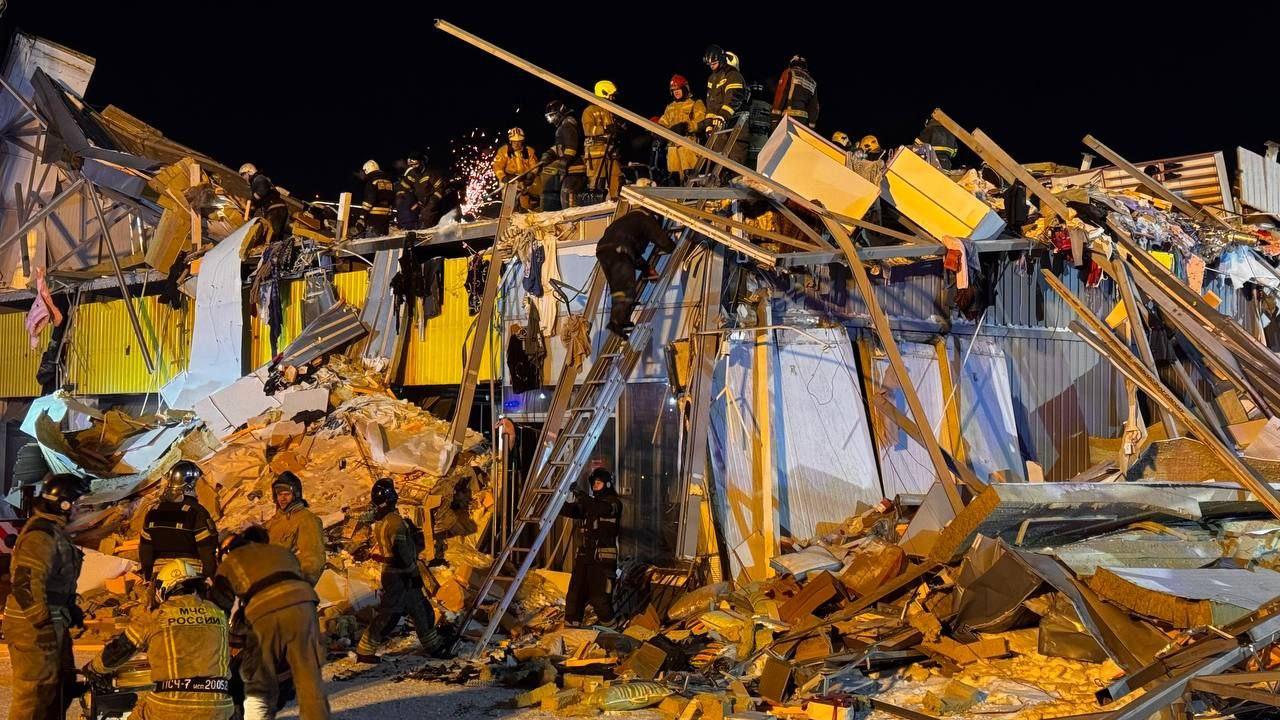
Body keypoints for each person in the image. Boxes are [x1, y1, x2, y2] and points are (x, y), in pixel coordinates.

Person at [82, 559, 233, 720]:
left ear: (162, 589)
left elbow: (120, 649)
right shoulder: (218, 613)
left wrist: (93, 669)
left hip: (170, 705)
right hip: (219, 706)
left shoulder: (157, 616)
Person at [214, 527, 329, 720]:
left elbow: (218, 608)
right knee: (308, 679)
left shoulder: (230, 564)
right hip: (305, 607)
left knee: (258, 682)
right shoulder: (281, 553)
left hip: (267, 612)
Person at [3, 474, 87, 720]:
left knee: (60, 687)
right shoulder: (40, 536)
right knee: (35, 694)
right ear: (64, 505)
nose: (81, 508)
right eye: (78, 503)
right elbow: (26, 585)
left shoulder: (53, 531)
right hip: (32, 624)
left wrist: (69, 607)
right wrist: (42, 625)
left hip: (51, 617)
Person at [354, 478, 444, 662]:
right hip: (401, 575)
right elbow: (402, 552)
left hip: (393, 572)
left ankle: (435, 646)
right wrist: (413, 573)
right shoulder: (395, 522)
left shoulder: (382, 522)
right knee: (390, 615)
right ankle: (365, 650)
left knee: (420, 609)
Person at [595, 208, 677, 338]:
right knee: (626, 288)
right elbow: (661, 239)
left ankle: (621, 320)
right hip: (620, 250)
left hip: (603, 250)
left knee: (618, 289)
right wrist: (673, 247)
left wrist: (646, 268)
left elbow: (634, 255)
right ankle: (617, 323)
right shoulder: (645, 219)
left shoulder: (627, 222)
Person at [560, 468, 622, 627]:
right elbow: (572, 510)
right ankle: (571, 630)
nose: (595, 486)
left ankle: (612, 633)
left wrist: (579, 493)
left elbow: (598, 508)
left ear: (607, 484)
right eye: (593, 483)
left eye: (598, 483)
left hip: (602, 559)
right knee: (575, 595)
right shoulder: (589, 504)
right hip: (585, 556)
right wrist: (555, 499)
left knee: (599, 599)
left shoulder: (614, 503)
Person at [139, 460, 219, 581]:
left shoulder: (153, 512)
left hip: (161, 575)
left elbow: (145, 550)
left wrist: (148, 577)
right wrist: (210, 578)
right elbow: (207, 549)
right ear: (191, 485)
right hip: (190, 574)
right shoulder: (197, 512)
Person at [265, 472, 326, 586]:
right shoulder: (275, 520)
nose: (282, 498)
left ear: (296, 495)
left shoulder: (307, 520)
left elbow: (312, 563)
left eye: (287, 494)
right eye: (279, 494)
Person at [699, 45, 748, 163]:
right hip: (720, 126)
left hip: (736, 123)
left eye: (714, 63)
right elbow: (711, 104)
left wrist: (722, 115)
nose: (712, 66)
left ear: (721, 60)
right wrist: (709, 124)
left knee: (736, 161)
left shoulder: (733, 75)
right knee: (718, 161)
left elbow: (734, 97)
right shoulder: (712, 78)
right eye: (710, 64)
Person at [659, 75, 706, 183]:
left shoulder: (695, 103)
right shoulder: (670, 107)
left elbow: (701, 121)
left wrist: (686, 126)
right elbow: (663, 122)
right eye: (673, 90)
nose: (676, 92)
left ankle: (692, 186)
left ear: (685, 89)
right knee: (674, 178)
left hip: (688, 145)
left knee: (690, 177)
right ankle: (675, 185)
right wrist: (658, 133)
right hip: (672, 147)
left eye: (678, 89)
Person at [541, 101, 586, 211]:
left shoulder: (567, 126)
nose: (551, 120)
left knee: (568, 198)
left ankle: (573, 218)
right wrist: (549, 154)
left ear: (560, 113)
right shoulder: (565, 126)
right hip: (570, 170)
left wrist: (565, 161)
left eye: (552, 116)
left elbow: (571, 147)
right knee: (564, 197)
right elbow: (561, 147)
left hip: (575, 169)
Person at [582, 80, 622, 200]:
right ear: (604, 93)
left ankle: (615, 201)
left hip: (611, 151)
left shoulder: (610, 110)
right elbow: (588, 130)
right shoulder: (589, 111)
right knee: (597, 182)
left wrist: (619, 128)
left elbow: (614, 129)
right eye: (611, 95)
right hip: (596, 153)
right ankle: (596, 203)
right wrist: (605, 129)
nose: (613, 98)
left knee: (616, 177)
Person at [239, 164, 290, 243]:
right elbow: (258, 203)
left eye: (243, 174)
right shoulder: (256, 182)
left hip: (275, 209)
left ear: (249, 172)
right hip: (276, 209)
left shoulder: (259, 178)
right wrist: (250, 212)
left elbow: (262, 192)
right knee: (276, 237)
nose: (243, 177)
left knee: (270, 235)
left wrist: (250, 201)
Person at [492, 127, 540, 211]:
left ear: (522, 141)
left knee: (527, 204)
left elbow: (535, 166)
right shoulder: (503, 151)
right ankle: (510, 212)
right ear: (510, 141)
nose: (517, 144)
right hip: (509, 179)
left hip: (524, 179)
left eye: (519, 142)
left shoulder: (529, 151)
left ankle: (529, 209)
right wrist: (503, 177)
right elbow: (497, 166)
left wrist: (531, 175)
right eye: (514, 142)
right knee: (509, 202)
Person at [771, 55, 819, 129]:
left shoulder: (789, 73)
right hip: (804, 121)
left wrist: (775, 118)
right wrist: (811, 123)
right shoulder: (812, 82)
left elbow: (780, 95)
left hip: (789, 116)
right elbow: (814, 106)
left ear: (792, 64)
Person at [359, 159, 395, 237]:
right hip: (386, 218)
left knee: (372, 241)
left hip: (373, 219)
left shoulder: (371, 182)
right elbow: (392, 198)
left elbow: (369, 201)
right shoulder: (388, 181)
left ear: (366, 170)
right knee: (383, 240)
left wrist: (362, 216)